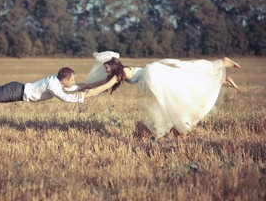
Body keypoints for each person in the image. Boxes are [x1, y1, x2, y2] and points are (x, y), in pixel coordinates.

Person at [83, 51, 242, 137]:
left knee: (177, 97)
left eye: (106, 67)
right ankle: (220, 77)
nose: (105, 70)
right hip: (155, 72)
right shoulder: (120, 72)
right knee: (185, 84)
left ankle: (221, 65)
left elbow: (103, 87)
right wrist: (82, 87)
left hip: (154, 76)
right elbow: (100, 84)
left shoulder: (121, 73)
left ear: (112, 65)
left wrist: (85, 96)